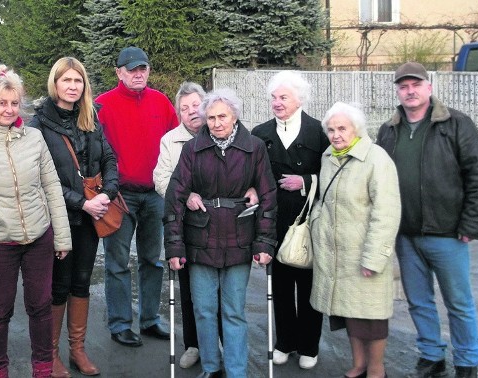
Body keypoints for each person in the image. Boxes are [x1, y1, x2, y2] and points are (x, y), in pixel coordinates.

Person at [0, 65, 72, 378]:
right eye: (2, 103)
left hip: (39, 240)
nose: (9, 109)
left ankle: (43, 369)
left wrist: (61, 237)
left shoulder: (34, 138)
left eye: (14, 103)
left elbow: (52, 188)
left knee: (40, 307)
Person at [376, 62, 478, 378]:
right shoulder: (389, 130)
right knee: (419, 302)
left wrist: (470, 225)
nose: (410, 91)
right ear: (398, 91)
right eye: (403, 86)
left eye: (416, 84)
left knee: (458, 302)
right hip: (406, 235)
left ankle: (467, 360)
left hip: (449, 234)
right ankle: (431, 355)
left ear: (428, 87)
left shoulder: (455, 124)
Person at [164, 88, 277, 378]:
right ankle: (212, 368)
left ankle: (237, 371)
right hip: (200, 238)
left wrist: (264, 242)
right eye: (211, 117)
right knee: (202, 309)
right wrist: (174, 247)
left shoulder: (254, 147)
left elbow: (267, 196)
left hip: (239, 237)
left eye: (222, 116)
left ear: (235, 115)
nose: (216, 122)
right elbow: (174, 197)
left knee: (233, 311)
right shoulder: (193, 149)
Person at [30, 57, 118, 377]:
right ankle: (50, 355)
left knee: (81, 282)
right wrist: (82, 203)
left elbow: (109, 158)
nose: (72, 86)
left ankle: (78, 349)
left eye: (77, 81)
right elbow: (40, 178)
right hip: (58, 216)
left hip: (92, 216)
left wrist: (108, 192)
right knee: (58, 285)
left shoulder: (91, 118)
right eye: (66, 80)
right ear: (55, 83)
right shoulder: (38, 125)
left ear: (84, 85)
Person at [310, 102, 401, 378]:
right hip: (336, 255)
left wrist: (374, 257)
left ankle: (376, 370)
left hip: (364, 253)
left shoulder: (376, 159)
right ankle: (359, 365)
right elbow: (323, 200)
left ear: (356, 129)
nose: (336, 134)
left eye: (342, 128)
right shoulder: (329, 157)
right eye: (331, 129)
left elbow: (386, 213)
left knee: (371, 318)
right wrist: (317, 224)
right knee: (349, 314)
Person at [95, 46, 177, 346]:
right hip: (119, 196)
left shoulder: (162, 102)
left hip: (155, 195)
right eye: (132, 69)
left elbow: (176, 142)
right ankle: (119, 324)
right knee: (117, 262)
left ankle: (150, 319)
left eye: (142, 68)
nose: (138, 73)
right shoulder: (102, 106)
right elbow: (93, 152)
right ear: (119, 73)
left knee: (152, 261)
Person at [251, 70, 329, 369]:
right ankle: (284, 342)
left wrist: (307, 181)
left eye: (283, 97)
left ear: (300, 99)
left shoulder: (319, 131)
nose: (276, 102)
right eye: (273, 97)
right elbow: (251, 173)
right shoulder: (260, 133)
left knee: (309, 287)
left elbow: (335, 176)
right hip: (273, 222)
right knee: (280, 288)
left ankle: (309, 346)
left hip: (309, 223)